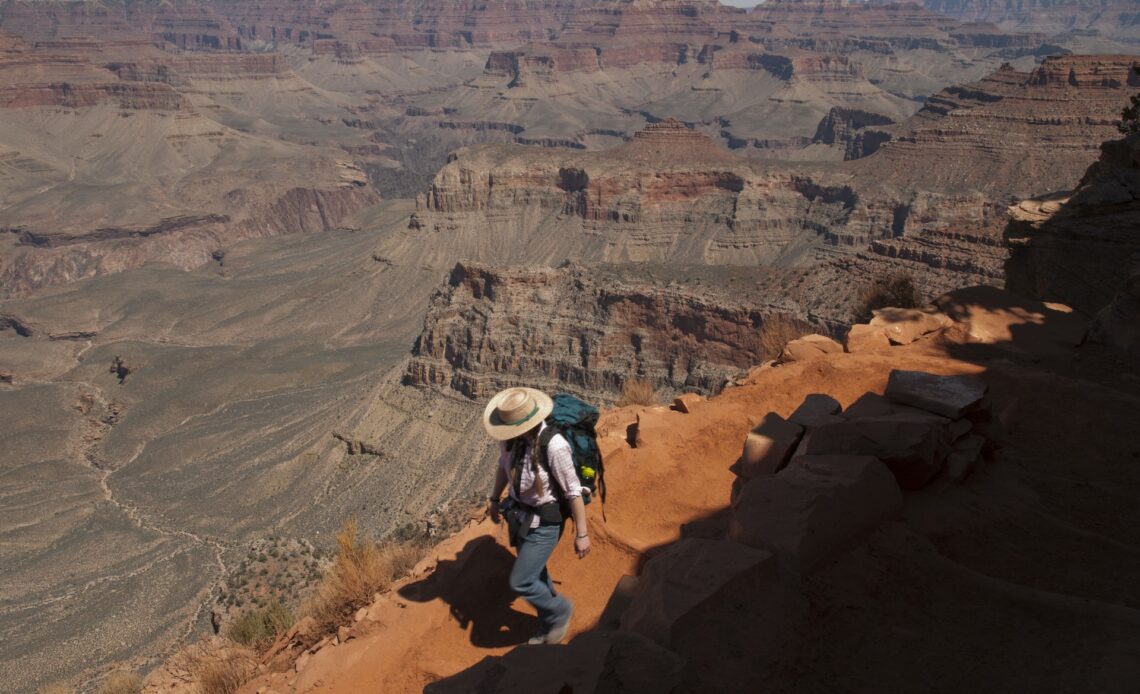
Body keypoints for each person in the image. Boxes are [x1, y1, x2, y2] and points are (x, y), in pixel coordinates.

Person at [484, 386, 591, 645]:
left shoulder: (553, 445)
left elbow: (573, 492)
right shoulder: (510, 441)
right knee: (537, 574)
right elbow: (503, 468)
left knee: (522, 580)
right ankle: (548, 624)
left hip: (545, 524)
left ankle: (559, 611)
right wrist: (495, 499)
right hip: (520, 518)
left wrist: (582, 533)